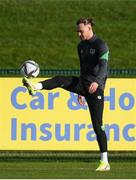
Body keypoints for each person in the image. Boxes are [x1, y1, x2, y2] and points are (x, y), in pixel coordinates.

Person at [22, 17, 110, 171]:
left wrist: (97, 81)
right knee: (60, 79)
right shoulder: (81, 46)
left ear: (89, 28)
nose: (79, 34)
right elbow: (83, 68)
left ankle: (105, 161)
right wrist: (80, 90)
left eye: (81, 31)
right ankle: (35, 86)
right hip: (83, 85)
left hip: (96, 88)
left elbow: (104, 67)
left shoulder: (100, 45)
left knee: (98, 126)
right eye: (77, 32)